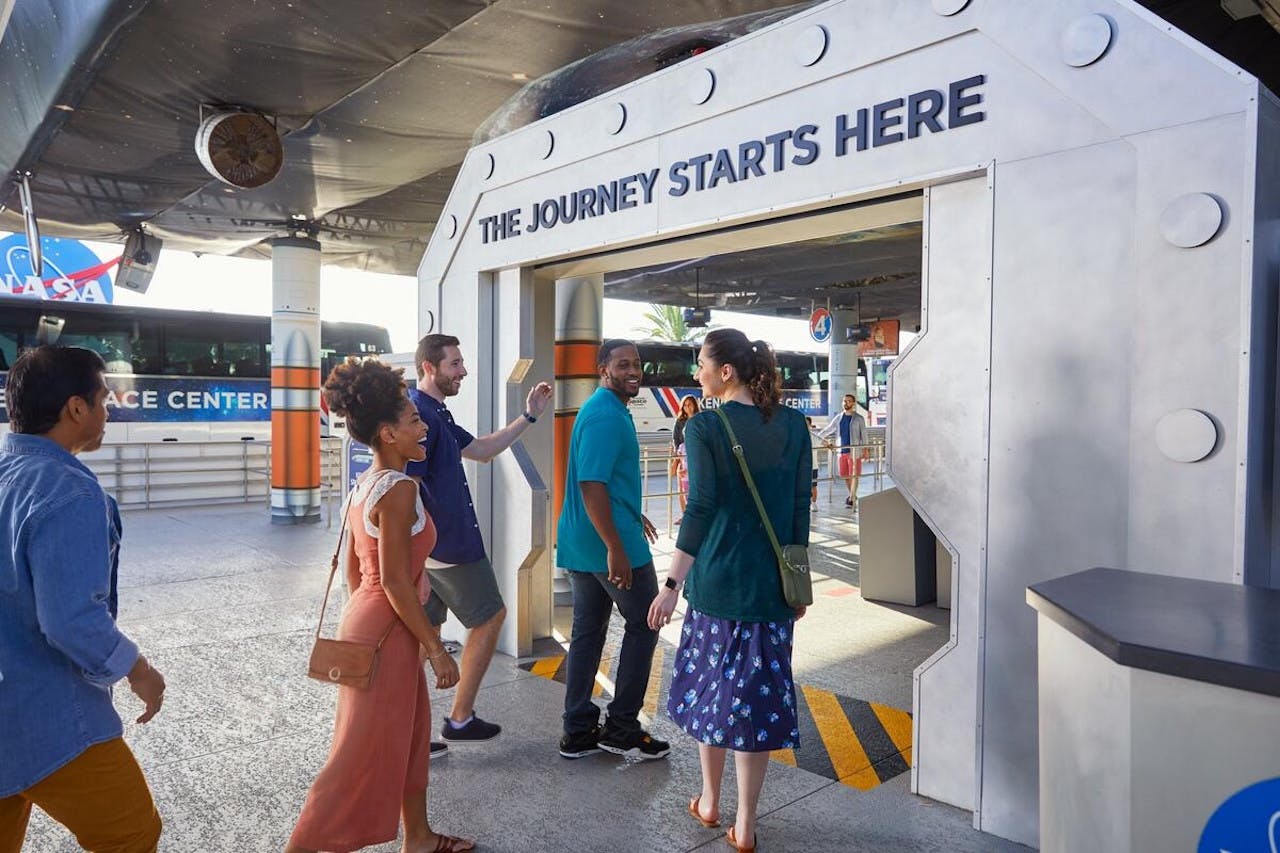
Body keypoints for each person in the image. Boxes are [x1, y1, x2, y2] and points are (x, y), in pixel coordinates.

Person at [287, 358, 471, 853]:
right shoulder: (400, 488)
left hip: (371, 622)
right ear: (388, 433)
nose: (423, 428)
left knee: (410, 732)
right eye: (413, 420)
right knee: (358, 749)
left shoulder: (364, 484)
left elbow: (356, 572)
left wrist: (373, 621)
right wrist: (436, 648)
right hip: (389, 629)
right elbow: (392, 579)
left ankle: (420, 836)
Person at [648, 328, 811, 853]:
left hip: (717, 586)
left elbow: (700, 508)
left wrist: (671, 584)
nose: (695, 373)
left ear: (725, 372)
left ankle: (710, 800)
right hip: (771, 591)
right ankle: (745, 823)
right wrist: (797, 581)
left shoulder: (705, 426)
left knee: (712, 693)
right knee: (754, 705)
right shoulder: (793, 424)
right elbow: (799, 507)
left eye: (701, 363)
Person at [0, 345, 166, 853]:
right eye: (103, 400)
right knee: (132, 834)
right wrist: (138, 669)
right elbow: (70, 619)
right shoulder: (70, 491)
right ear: (76, 408)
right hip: (50, 714)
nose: (107, 412)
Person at [407, 334, 553, 746]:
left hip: (434, 551)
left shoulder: (435, 413)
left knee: (424, 639)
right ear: (429, 367)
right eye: (454, 364)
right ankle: (459, 718)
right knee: (490, 618)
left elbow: (484, 450)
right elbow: (408, 490)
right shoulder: (421, 416)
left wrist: (529, 416)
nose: (464, 371)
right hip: (449, 550)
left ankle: (408, 731)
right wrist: (415, 561)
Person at [557, 339, 667, 761]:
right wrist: (615, 547)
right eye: (622, 364)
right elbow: (591, 484)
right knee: (645, 623)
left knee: (587, 632)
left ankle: (578, 730)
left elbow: (604, 480)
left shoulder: (605, 409)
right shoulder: (606, 415)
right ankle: (622, 727)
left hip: (583, 541)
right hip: (608, 545)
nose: (633, 371)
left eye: (636, 364)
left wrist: (632, 513)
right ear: (603, 369)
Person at [818, 393, 867, 508]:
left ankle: (851, 498)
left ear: (853, 403)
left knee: (854, 475)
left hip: (854, 452)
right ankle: (852, 495)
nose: (846, 403)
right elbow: (829, 429)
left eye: (849, 401)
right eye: (844, 401)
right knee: (845, 476)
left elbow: (864, 435)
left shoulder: (859, 418)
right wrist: (820, 438)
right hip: (842, 452)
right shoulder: (838, 417)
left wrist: (865, 449)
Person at [671, 394, 700, 519]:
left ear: (694, 405)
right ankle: (684, 515)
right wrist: (677, 457)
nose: (687, 407)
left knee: (694, 486)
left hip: (696, 457)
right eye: (685, 405)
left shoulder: (700, 419)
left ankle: (694, 513)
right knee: (682, 487)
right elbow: (676, 439)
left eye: (690, 404)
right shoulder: (680, 421)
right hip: (682, 456)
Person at [805, 415, 822, 510]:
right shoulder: (797, 436)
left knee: (813, 485)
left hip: (813, 466)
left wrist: (830, 445)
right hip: (801, 467)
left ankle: (814, 503)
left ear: (810, 425)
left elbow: (824, 442)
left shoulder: (814, 436)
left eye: (807, 424)